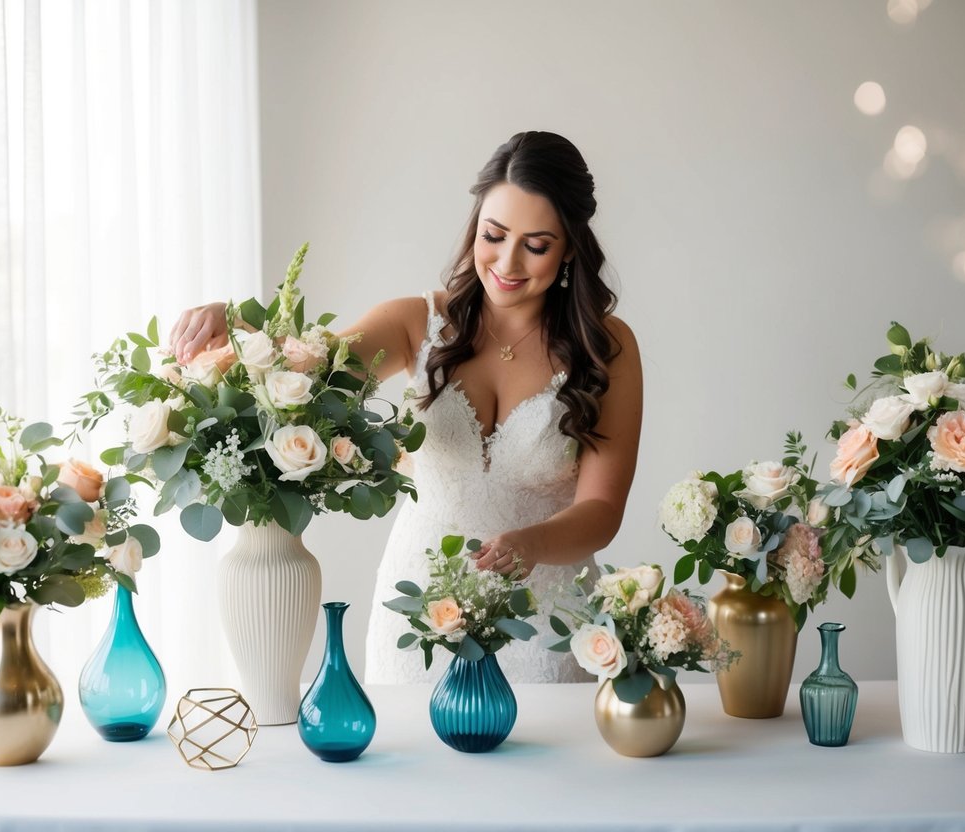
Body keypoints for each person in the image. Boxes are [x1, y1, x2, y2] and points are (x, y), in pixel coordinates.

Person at [169, 131, 642, 683]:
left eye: (536, 245)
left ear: (569, 248)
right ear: (475, 227)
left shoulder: (607, 349)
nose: (507, 262)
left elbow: (602, 510)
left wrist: (532, 543)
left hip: (548, 624)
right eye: (494, 235)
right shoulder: (415, 321)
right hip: (418, 613)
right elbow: (305, 370)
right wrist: (237, 322)